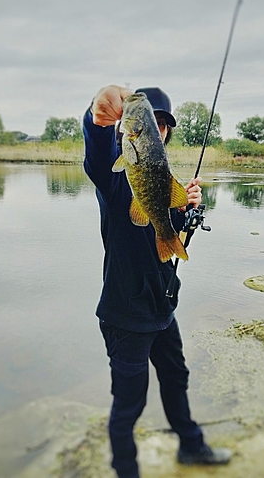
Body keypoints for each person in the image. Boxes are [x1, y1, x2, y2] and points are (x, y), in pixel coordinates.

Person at [83, 84, 231, 478]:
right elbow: (98, 155)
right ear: (128, 129)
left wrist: (187, 206)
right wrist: (97, 119)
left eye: (163, 125)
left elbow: (170, 232)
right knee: (129, 403)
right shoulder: (115, 177)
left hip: (163, 305)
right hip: (125, 316)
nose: (159, 130)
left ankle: (192, 448)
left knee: (176, 376)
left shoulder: (165, 177)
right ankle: (126, 471)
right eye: (154, 123)